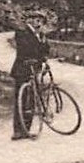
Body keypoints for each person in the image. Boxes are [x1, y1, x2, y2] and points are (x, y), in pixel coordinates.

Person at [10, 10, 52, 140]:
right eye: (35, 19)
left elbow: (46, 50)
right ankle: (18, 131)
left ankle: (26, 129)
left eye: (40, 20)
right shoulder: (22, 32)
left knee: (32, 100)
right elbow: (24, 48)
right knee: (21, 100)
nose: (38, 22)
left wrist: (43, 40)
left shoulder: (39, 34)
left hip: (35, 69)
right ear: (29, 20)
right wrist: (33, 57)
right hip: (22, 68)